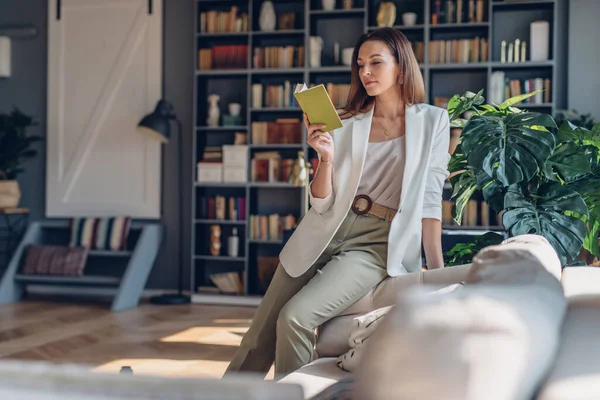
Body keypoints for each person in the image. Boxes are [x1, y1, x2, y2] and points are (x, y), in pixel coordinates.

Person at [225, 27, 451, 378]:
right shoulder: (345, 121)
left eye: (376, 62)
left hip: (375, 243)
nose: (366, 72)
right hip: (324, 229)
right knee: (257, 337)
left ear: (401, 68)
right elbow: (321, 202)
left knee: (296, 318)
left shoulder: (433, 121)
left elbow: (430, 199)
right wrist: (325, 159)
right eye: (360, 64)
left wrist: (437, 275)